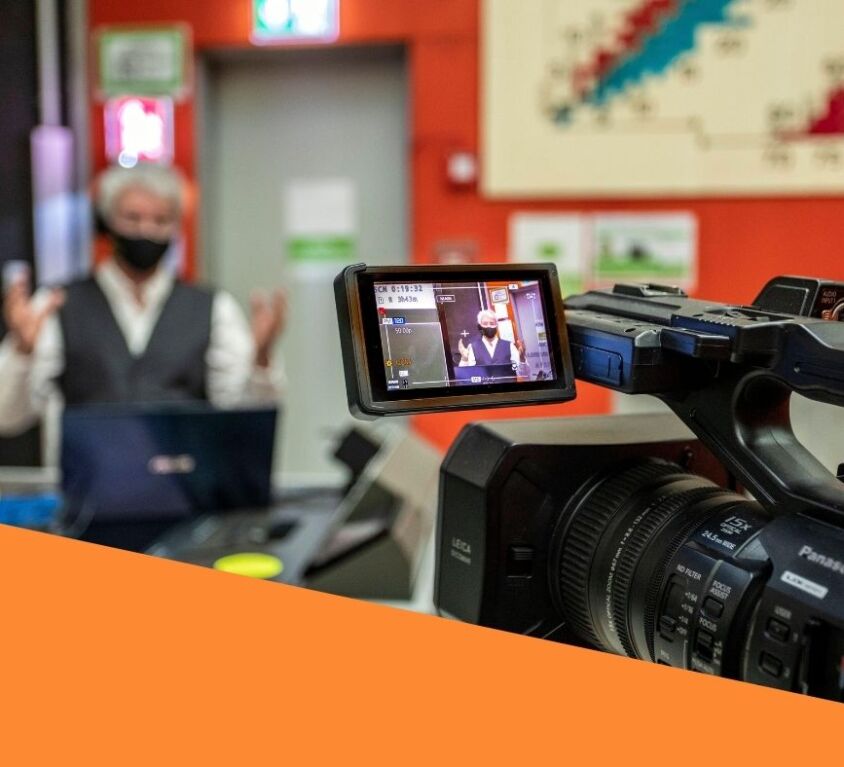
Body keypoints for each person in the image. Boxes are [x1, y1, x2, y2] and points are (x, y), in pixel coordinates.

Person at [0, 163, 287, 460]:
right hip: (86, 488)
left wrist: (261, 358)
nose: (146, 230)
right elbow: (7, 416)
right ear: (107, 222)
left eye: (161, 220)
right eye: (132, 218)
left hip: (186, 488)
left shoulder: (214, 307)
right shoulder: (57, 304)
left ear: (176, 227)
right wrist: (23, 350)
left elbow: (246, 415)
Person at [457, 309, 528, 372]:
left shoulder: (509, 346)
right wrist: (464, 359)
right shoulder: (472, 347)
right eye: (485, 324)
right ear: (480, 326)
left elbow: (523, 373)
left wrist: (522, 359)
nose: (489, 326)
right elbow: (465, 375)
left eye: (492, 323)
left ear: (497, 325)